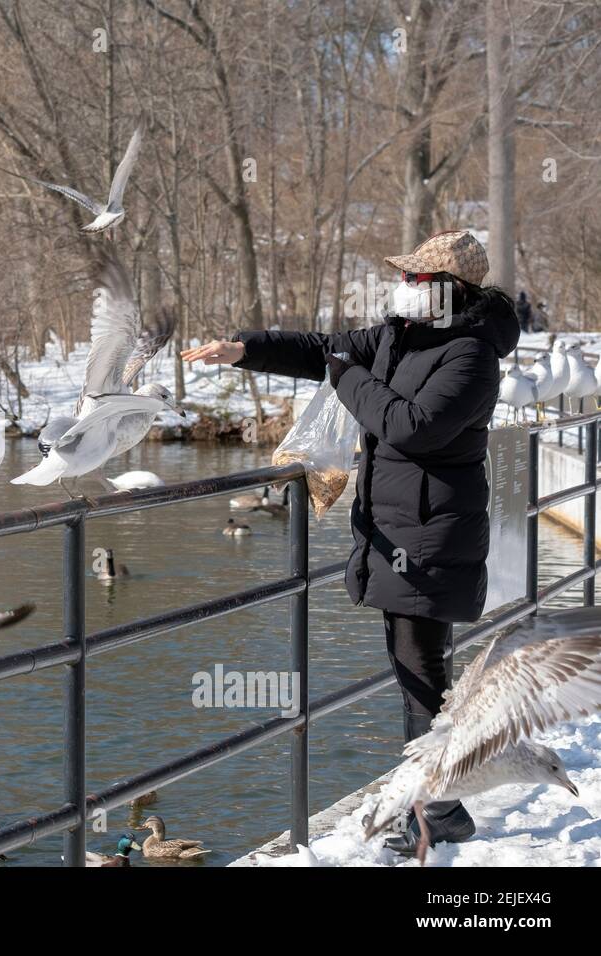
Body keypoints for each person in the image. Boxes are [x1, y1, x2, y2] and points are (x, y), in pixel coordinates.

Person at [182, 231, 518, 857]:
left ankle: (438, 808)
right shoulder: (398, 333)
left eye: (418, 279)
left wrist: (345, 377)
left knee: (422, 672)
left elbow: (410, 427)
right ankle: (438, 803)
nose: (406, 287)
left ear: (451, 292)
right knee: (417, 671)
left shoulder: (472, 356)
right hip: (398, 526)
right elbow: (321, 349)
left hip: (432, 534)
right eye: (407, 278)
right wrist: (242, 349)